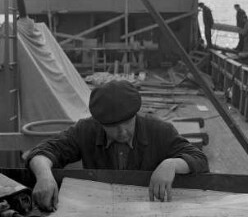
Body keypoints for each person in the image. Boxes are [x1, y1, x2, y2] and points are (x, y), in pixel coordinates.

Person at [26, 80, 209, 211]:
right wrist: (44, 177)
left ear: (135, 114)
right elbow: (44, 151)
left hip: (146, 209)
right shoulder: (86, 129)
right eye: (112, 127)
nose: (122, 132)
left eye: (127, 123)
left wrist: (172, 164)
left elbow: (199, 159)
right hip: (100, 208)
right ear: (100, 122)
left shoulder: (160, 130)